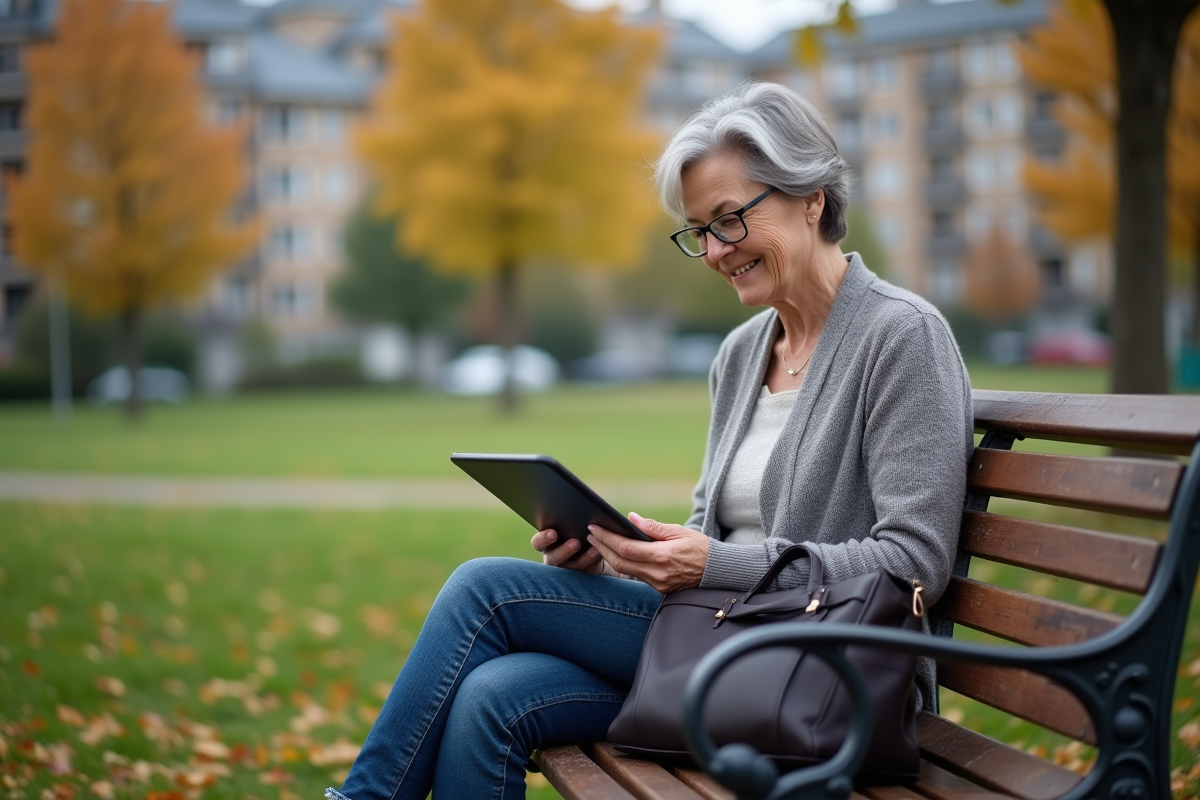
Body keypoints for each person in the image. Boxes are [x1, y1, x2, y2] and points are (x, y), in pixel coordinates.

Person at [326, 81, 973, 800]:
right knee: (490, 696)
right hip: (719, 649)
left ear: (812, 197)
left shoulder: (901, 336)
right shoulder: (740, 353)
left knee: (485, 591)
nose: (714, 252)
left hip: (829, 671)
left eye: (729, 221)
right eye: (698, 231)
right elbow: (707, 537)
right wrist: (618, 559)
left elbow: (914, 563)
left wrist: (715, 566)